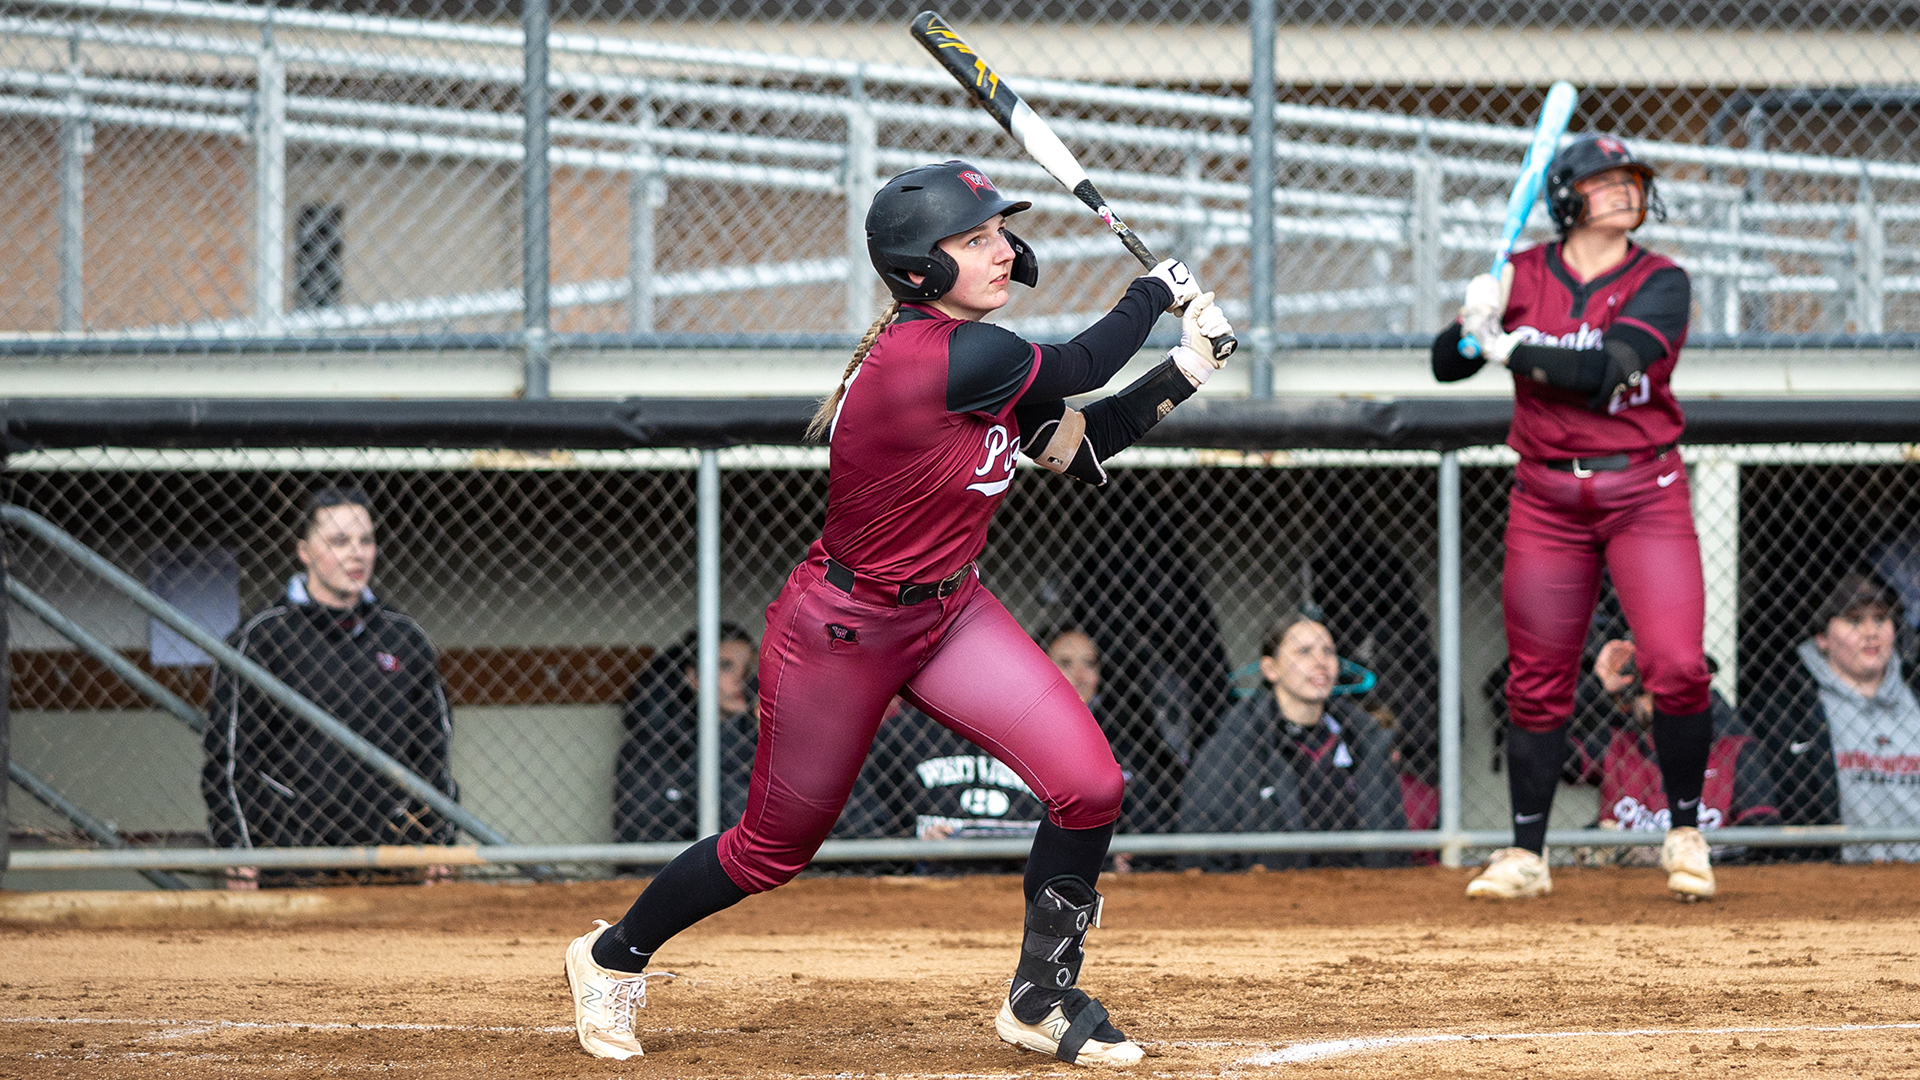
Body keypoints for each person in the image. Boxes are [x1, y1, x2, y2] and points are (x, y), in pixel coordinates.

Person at [563, 159, 1235, 1064]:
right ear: (919, 271)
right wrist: (1152, 294)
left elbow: (1080, 443)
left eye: (999, 233)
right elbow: (1078, 364)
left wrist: (1188, 365)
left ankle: (1041, 998)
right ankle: (610, 958)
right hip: (843, 632)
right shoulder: (946, 356)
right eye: (974, 240)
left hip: (951, 614)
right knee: (772, 848)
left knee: (1091, 788)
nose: (1000, 251)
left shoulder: (984, 363)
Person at [1432, 132, 1717, 902]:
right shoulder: (1520, 274)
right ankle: (1527, 853)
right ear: (1566, 198)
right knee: (1536, 682)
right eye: (1605, 180)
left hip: (1643, 491)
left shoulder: (1664, 280)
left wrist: (1508, 344)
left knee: (1678, 664)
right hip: (1547, 497)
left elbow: (1604, 371)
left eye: (1632, 180)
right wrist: (1472, 320)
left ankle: (1686, 830)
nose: (1626, 190)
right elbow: (1444, 365)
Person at [200, 487, 458, 889]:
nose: (356, 553)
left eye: (365, 540)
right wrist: (237, 845)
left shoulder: (405, 638)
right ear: (304, 552)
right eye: (338, 541)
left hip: (389, 854)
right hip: (290, 855)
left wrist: (438, 838)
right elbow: (230, 756)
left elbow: (433, 752)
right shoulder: (262, 638)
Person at [1177, 610, 1410, 871]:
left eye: (1328, 652)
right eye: (1304, 652)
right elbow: (1201, 844)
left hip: (1358, 898)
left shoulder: (1364, 739)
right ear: (1270, 668)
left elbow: (1395, 839)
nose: (1321, 661)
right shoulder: (1235, 742)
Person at [1748, 571, 1920, 863]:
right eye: (1854, 621)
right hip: (1833, 875)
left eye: (1880, 619)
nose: (1871, 632)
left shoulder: (1915, 694)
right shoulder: (1791, 706)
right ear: (1822, 637)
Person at [1570, 639, 1780, 863]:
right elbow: (1550, 756)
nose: (1673, 700)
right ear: (1630, 700)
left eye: (1685, 689)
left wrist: (1675, 855)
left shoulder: (1733, 749)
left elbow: (1764, 836)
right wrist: (1596, 684)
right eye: (1654, 691)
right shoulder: (1617, 746)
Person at [1038, 625, 1185, 867]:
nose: (1080, 675)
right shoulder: (1020, 732)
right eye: (1065, 663)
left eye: (1089, 664)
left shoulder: (1124, 732)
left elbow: (1152, 808)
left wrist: (1130, 850)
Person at [612, 623, 759, 845]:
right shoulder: (654, 746)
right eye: (725, 666)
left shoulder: (761, 740)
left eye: (748, 668)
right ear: (694, 677)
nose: (741, 678)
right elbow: (641, 839)